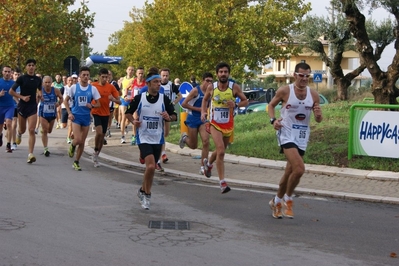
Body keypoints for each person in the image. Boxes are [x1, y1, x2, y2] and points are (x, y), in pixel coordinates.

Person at [268, 62, 323, 219]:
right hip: (286, 133)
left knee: (289, 172)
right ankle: (288, 199)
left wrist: (318, 115)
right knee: (299, 169)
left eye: (307, 76)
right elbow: (270, 106)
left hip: (302, 136)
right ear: (295, 75)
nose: (304, 79)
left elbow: (319, 119)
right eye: (301, 75)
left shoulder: (313, 95)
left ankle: (276, 201)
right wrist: (274, 121)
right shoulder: (285, 91)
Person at [125, 71, 177, 210]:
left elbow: (174, 115)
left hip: (157, 139)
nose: (159, 84)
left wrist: (168, 117)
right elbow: (128, 113)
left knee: (151, 169)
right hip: (143, 137)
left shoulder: (164, 99)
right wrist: (133, 121)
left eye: (160, 82)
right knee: (151, 166)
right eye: (156, 82)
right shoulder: (140, 98)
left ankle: (142, 189)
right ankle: (147, 196)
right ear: (148, 83)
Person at [200, 62, 248, 193]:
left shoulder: (234, 87)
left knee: (221, 150)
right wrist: (203, 112)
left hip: (228, 124)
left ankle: (208, 164)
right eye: (220, 72)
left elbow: (245, 101)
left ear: (228, 74)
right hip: (214, 123)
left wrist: (236, 104)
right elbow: (205, 100)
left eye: (225, 72)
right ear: (217, 74)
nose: (223, 74)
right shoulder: (212, 87)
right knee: (221, 150)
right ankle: (222, 182)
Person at [64, 66, 101, 171]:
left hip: (86, 117)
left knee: (82, 142)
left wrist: (92, 106)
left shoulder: (92, 89)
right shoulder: (74, 88)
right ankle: (72, 144)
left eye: (87, 75)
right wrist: (69, 113)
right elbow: (65, 101)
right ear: (80, 76)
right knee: (78, 140)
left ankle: (76, 162)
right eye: (83, 75)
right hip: (76, 116)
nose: (85, 77)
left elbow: (98, 104)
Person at [180, 72, 213, 176]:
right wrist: (198, 109)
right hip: (193, 118)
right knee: (194, 146)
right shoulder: (195, 90)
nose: (209, 83)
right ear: (203, 80)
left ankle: (203, 167)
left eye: (211, 81)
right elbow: (184, 103)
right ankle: (185, 138)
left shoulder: (211, 91)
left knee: (206, 141)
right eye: (207, 80)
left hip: (203, 119)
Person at [9, 59, 42, 163]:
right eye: (29, 65)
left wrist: (40, 94)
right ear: (26, 67)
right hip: (22, 106)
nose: (31, 67)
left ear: (35, 67)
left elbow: (40, 89)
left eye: (33, 65)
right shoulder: (21, 78)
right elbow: (11, 91)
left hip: (32, 106)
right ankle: (19, 134)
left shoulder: (38, 79)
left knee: (32, 130)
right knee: (22, 129)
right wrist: (22, 97)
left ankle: (30, 154)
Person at [91, 68, 121, 167]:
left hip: (106, 113)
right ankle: (95, 148)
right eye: (103, 77)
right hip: (96, 112)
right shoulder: (93, 85)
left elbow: (119, 101)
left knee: (102, 136)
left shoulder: (111, 87)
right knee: (99, 132)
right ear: (99, 76)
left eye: (106, 77)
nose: (105, 79)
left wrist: (113, 99)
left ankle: (96, 155)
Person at [158, 68, 182, 166]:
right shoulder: (157, 84)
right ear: (160, 75)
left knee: (166, 133)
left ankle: (161, 151)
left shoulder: (171, 85)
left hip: (168, 111)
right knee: (161, 132)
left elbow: (180, 96)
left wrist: (173, 102)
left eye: (166, 75)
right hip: (159, 111)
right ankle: (162, 154)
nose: (165, 77)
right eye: (163, 75)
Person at [38, 76, 63, 156]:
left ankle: (44, 130)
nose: (47, 84)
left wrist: (58, 103)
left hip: (52, 114)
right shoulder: (40, 90)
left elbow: (61, 98)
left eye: (49, 82)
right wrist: (39, 98)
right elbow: (36, 100)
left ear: (51, 83)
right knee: (45, 130)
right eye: (46, 82)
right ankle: (46, 149)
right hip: (43, 113)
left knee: (49, 130)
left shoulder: (55, 90)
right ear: (43, 83)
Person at [0, 66, 16, 152]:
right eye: (5, 71)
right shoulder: (0, 81)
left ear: (11, 73)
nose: (7, 73)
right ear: (2, 72)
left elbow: (16, 94)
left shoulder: (13, 83)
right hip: (0, 106)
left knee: (9, 123)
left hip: (10, 106)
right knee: (0, 126)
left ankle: (9, 144)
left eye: (9, 72)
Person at [129, 66, 146, 145]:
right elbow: (126, 88)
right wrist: (126, 96)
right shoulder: (133, 81)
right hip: (134, 102)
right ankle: (134, 136)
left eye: (142, 73)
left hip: (143, 103)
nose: (140, 75)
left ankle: (142, 135)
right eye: (139, 73)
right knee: (135, 119)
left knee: (142, 120)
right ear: (136, 74)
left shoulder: (146, 83)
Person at [119, 66, 135, 144]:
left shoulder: (135, 80)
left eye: (132, 70)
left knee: (131, 118)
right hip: (124, 99)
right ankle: (122, 136)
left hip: (132, 100)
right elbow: (120, 89)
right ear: (126, 70)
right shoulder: (122, 79)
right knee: (124, 117)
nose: (130, 71)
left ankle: (133, 135)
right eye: (129, 69)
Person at [106, 70, 121, 138]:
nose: (108, 76)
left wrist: (114, 96)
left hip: (111, 103)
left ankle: (108, 129)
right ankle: (105, 129)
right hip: (103, 104)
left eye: (110, 74)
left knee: (110, 117)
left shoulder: (114, 83)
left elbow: (119, 93)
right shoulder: (102, 83)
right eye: (107, 74)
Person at [11, 69, 21, 150]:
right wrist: (17, 101)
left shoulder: (23, 84)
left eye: (18, 74)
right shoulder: (11, 84)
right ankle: (14, 143)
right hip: (13, 106)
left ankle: (19, 134)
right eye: (15, 74)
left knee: (21, 126)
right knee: (14, 124)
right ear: (13, 75)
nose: (17, 76)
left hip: (22, 107)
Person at [61, 76, 73, 142]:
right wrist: (62, 102)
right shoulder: (64, 88)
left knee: (70, 123)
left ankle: (68, 137)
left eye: (71, 80)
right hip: (64, 107)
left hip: (72, 107)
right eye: (69, 80)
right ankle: (70, 132)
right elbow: (59, 97)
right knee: (64, 125)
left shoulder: (74, 88)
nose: (70, 82)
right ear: (67, 81)